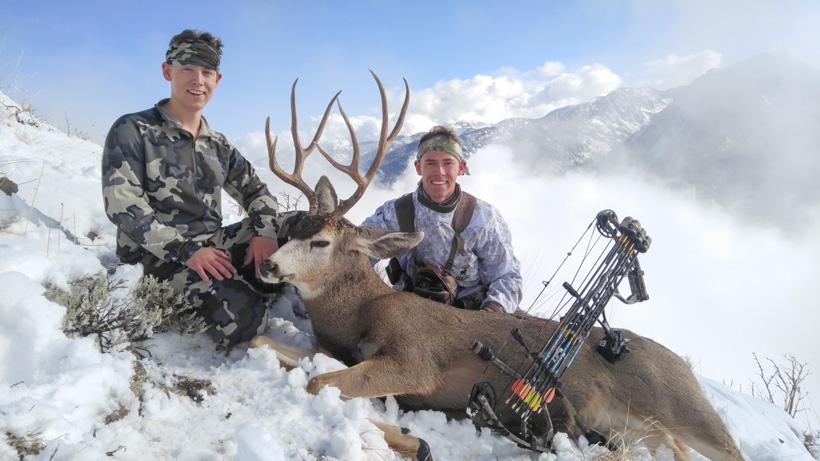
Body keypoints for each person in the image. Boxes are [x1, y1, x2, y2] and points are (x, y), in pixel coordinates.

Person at [102, 29, 292, 348]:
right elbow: (123, 206)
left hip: (211, 244)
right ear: (168, 71)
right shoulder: (132, 129)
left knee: (298, 226)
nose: (197, 80)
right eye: (188, 69)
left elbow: (257, 192)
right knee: (247, 318)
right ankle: (241, 288)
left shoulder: (217, 145)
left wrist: (266, 233)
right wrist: (186, 251)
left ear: (217, 78)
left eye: (206, 72)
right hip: (156, 258)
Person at [363, 126, 523, 313]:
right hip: (408, 311)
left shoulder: (484, 218)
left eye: (448, 163)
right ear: (418, 167)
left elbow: (507, 276)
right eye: (430, 163)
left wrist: (493, 309)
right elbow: (357, 252)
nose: (439, 171)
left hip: (469, 315)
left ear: (461, 168)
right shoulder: (394, 213)